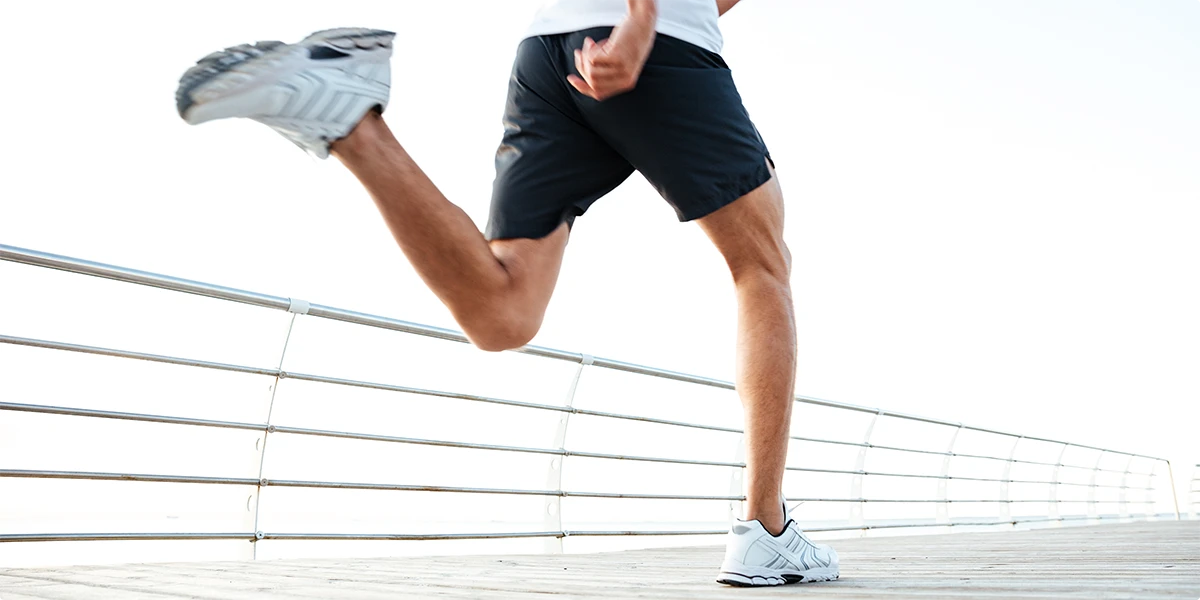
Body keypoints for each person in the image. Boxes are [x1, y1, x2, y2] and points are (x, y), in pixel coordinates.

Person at [175, 0, 838, 587]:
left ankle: (351, 120)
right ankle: (766, 533)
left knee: (503, 313)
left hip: (551, 52)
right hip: (649, 43)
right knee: (764, 264)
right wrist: (640, 19)